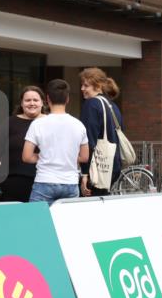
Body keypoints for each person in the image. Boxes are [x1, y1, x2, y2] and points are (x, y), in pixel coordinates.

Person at [23, 80, 89, 204]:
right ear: (67, 99)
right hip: (70, 183)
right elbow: (84, 157)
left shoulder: (37, 124)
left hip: (44, 181)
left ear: (47, 99)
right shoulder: (79, 125)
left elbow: (26, 157)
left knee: (39, 222)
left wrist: (45, 156)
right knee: (66, 223)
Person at [0, 86, 47, 202]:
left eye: (35, 100)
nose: (32, 103)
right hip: (13, 184)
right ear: (21, 103)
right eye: (28, 100)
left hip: (45, 183)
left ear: (42, 103)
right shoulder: (9, 123)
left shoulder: (51, 122)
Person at [78, 67, 124, 196]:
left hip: (96, 169)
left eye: (86, 85)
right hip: (112, 167)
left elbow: (88, 140)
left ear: (98, 86)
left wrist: (85, 173)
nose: (82, 88)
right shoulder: (113, 106)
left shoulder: (91, 104)